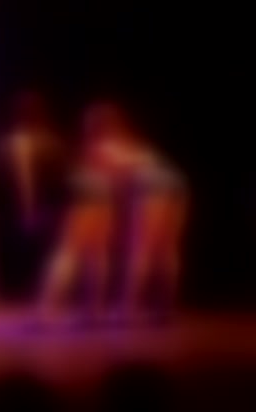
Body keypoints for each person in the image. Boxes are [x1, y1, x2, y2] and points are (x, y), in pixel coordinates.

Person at [34, 101, 129, 328]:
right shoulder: (116, 148)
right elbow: (120, 181)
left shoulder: (94, 146)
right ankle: (91, 311)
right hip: (102, 197)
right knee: (94, 255)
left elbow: (100, 175)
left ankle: (49, 309)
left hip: (88, 194)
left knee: (73, 251)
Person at [0, 90, 69, 301]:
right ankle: (35, 292)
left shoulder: (44, 143)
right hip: (31, 205)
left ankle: (38, 292)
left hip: (35, 205)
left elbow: (59, 179)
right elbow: (2, 180)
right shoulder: (48, 142)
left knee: (38, 251)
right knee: (36, 250)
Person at [116, 126, 189, 323]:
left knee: (141, 250)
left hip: (152, 188)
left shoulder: (105, 150)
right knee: (167, 250)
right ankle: (165, 306)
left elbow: (121, 186)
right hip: (176, 185)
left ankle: (129, 307)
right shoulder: (142, 149)